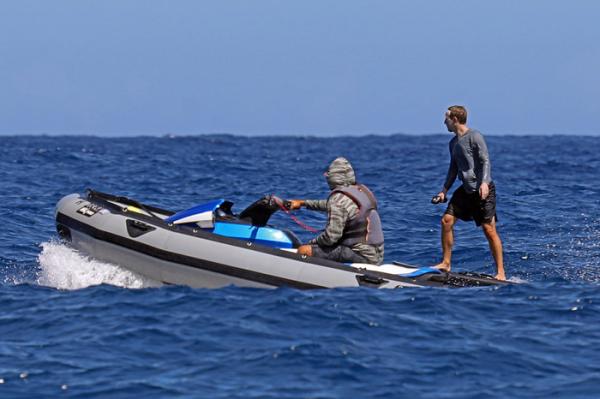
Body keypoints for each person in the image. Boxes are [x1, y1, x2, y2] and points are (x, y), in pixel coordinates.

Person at [432, 105, 506, 280]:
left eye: (447, 119)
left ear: (455, 119)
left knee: (489, 229)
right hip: (465, 190)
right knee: (446, 221)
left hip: (483, 189)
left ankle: (501, 272)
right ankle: (446, 263)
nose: (444, 122)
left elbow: (485, 160)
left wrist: (485, 183)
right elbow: (453, 168)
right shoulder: (453, 143)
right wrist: (444, 190)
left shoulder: (475, 136)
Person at [287, 157, 384, 265]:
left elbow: (331, 238)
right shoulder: (362, 191)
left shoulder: (338, 200)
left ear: (334, 178)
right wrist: (303, 203)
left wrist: (311, 244)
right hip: (377, 256)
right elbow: (333, 205)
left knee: (304, 250)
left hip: (360, 255)